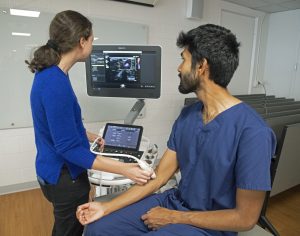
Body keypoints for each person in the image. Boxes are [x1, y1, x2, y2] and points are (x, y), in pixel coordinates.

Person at [76, 24, 276, 236]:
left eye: (184, 59)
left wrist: (174, 218)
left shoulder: (254, 132)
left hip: (211, 225)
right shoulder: (188, 116)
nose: (179, 68)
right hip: (175, 202)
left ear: (201, 66)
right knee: (99, 228)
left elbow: (245, 218)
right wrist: (105, 207)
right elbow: (160, 177)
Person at [26, 10, 152, 236]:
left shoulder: (51, 74)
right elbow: (68, 148)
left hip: (48, 170)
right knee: (69, 230)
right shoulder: (56, 84)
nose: (93, 44)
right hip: (65, 178)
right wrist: (126, 169)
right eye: (92, 39)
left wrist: (88, 135)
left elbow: (57, 124)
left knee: (65, 224)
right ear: (81, 41)